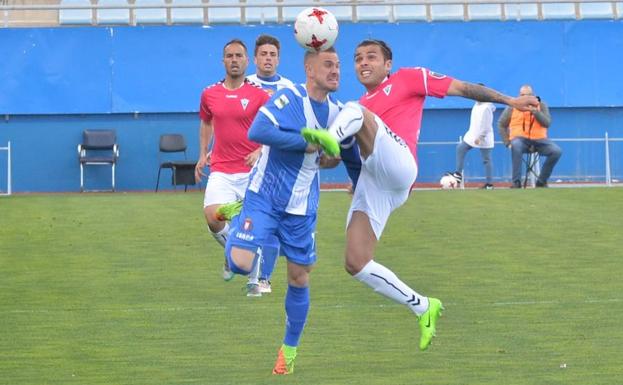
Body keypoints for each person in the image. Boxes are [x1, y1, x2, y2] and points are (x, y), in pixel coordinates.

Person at [302, 39, 540, 351]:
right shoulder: (359, 109)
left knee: (352, 111)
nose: (363, 63)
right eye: (358, 58)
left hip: (401, 166)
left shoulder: (407, 79)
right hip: (376, 182)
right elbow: (338, 159)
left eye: (371, 57)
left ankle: (328, 137)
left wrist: (510, 100)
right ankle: (422, 306)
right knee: (355, 262)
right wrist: (321, 159)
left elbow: (464, 88)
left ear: (388, 65)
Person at [223, 47, 341, 375]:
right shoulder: (290, 98)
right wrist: (305, 141)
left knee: (299, 277)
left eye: (338, 65)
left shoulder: (338, 113)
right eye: (328, 65)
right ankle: (237, 219)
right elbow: (257, 131)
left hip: (302, 208)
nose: (335, 71)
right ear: (309, 68)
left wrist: (330, 156)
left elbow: (330, 160)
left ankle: (288, 351)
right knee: (242, 264)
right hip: (265, 197)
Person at [194, 39, 270, 285]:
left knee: (253, 225)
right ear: (223, 61)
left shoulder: (259, 96)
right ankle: (233, 254)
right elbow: (206, 123)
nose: (234, 60)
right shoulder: (209, 94)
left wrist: (260, 150)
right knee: (213, 217)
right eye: (230, 56)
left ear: (247, 61)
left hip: (252, 172)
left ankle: (254, 277)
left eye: (239, 55)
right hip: (222, 170)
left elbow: (271, 128)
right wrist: (202, 153)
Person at [242, 34, 295, 295]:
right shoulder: (244, 84)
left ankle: (264, 278)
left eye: (273, 54)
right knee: (243, 221)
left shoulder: (288, 87)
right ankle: (238, 260)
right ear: (255, 58)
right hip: (242, 164)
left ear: (279, 58)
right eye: (263, 54)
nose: (268, 58)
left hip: (274, 167)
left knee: (272, 223)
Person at [498, 84, 562, 188]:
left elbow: (547, 123)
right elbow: (501, 124)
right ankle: (516, 182)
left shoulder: (541, 105)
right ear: (519, 95)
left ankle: (541, 181)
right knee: (516, 145)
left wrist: (536, 112)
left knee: (556, 151)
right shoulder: (512, 106)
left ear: (533, 95)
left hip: (539, 140)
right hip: (520, 140)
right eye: (522, 95)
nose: (525, 97)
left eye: (528, 95)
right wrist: (507, 142)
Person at [452, 86, 497, 189]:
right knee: (460, 148)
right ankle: (458, 173)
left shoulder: (486, 107)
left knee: (487, 159)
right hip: (472, 134)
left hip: (483, 137)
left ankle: (489, 184)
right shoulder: (477, 104)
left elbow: (486, 125)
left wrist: (480, 137)